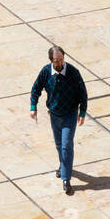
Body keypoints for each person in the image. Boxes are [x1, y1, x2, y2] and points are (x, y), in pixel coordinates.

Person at [30, 46, 88, 195]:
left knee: (66, 144)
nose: (59, 63)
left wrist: (82, 112)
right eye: (56, 61)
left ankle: (66, 178)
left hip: (70, 113)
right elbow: (36, 88)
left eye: (61, 60)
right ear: (51, 61)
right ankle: (63, 166)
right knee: (59, 144)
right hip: (54, 114)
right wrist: (33, 106)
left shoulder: (73, 72)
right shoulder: (46, 72)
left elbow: (83, 92)